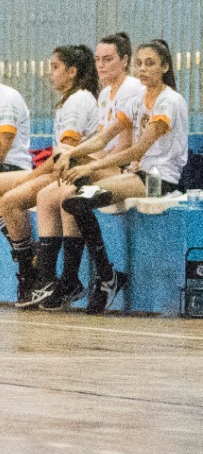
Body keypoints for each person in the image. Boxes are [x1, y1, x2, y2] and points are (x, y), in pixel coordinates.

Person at [58, 39, 188, 313]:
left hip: (161, 178)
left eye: (150, 64)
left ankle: (106, 277)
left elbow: (138, 149)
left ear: (165, 67)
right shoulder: (138, 99)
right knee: (74, 200)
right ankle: (107, 274)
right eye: (139, 64)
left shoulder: (169, 101)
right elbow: (103, 137)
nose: (143, 69)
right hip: (139, 174)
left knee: (80, 200)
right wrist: (72, 153)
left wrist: (90, 168)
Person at [24, 34, 140, 310]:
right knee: (50, 195)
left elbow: (124, 146)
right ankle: (55, 278)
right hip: (107, 164)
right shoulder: (105, 94)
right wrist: (77, 158)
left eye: (108, 59)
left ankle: (75, 277)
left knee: (66, 189)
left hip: (127, 168)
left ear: (125, 61)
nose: (101, 65)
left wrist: (87, 164)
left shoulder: (131, 89)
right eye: (98, 59)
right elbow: (101, 140)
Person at [0, 45, 99, 304]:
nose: (49, 73)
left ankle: (34, 272)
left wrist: (31, 177)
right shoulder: (69, 101)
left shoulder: (78, 101)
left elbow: (65, 156)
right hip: (59, 170)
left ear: (72, 72)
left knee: (11, 199)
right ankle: (26, 255)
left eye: (55, 67)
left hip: (71, 173)